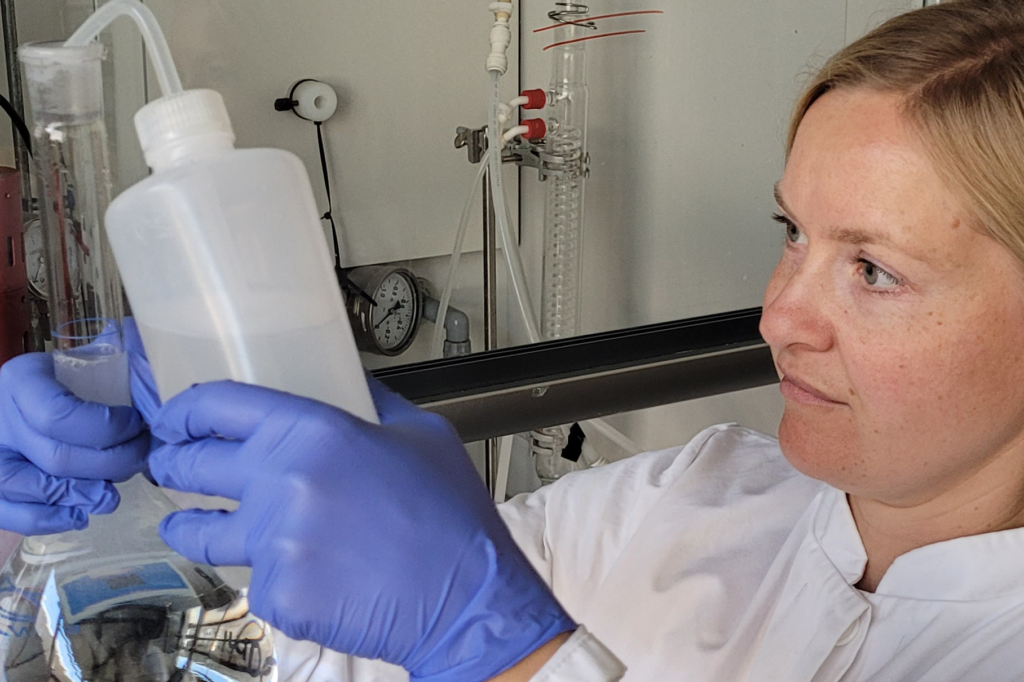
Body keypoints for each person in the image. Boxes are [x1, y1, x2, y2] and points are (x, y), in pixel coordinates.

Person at [4, 0, 1024, 679]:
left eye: (875, 269)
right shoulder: (695, 496)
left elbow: (459, 627)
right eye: (791, 233)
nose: (778, 318)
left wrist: (505, 652)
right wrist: (140, 494)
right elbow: (333, 648)